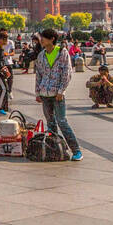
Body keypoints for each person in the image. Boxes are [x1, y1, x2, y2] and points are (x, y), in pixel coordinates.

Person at [34, 27, 82, 160]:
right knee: (50, 123)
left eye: (44, 37)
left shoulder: (62, 53)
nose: (41, 40)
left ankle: (76, 150)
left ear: (52, 39)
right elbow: (39, 74)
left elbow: (67, 73)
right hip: (45, 94)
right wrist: (37, 92)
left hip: (57, 94)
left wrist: (61, 91)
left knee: (62, 122)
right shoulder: (41, 55)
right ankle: (54, 150)